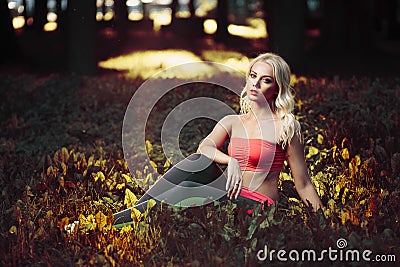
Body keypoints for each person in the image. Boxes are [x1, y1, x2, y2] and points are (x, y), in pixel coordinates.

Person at [197, 52, 323, 212]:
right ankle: (156, 210)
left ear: (277, 88)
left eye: (266, 80)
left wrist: (325, 222)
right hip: (228, 201)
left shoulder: (286, 126)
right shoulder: (232, 121)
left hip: (259, 207)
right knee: (191, 169)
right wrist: (231, 161)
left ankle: (160, 208)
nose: (255, 84)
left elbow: (303, 184)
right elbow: (203, 149)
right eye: (253, 76)